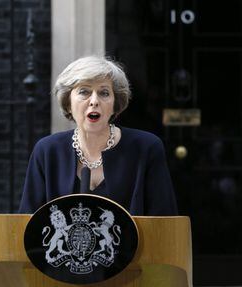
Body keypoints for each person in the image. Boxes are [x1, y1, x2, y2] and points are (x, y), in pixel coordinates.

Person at [18, 56, 177, 215]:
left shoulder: (147, 148)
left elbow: (164, 225)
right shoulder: (47, 151)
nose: (94, 101)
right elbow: (27, 224)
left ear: (115, 104)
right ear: (68, 103)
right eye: (84, 92)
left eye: (104, 93)